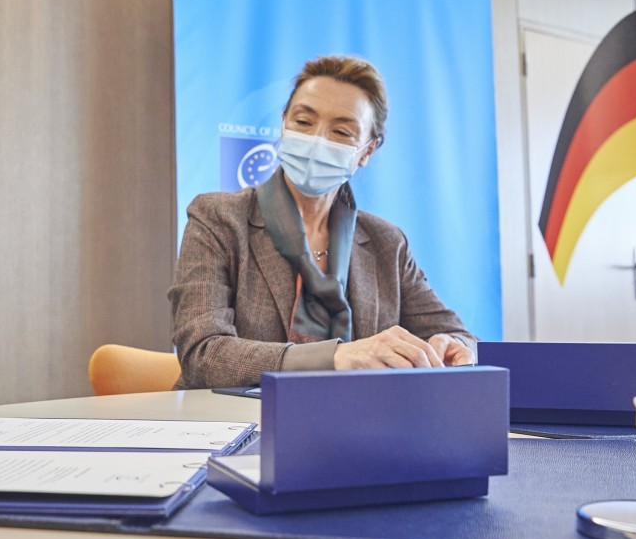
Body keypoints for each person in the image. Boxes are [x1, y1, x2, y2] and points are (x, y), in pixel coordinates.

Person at [170, 55, 476, 389]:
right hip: (236, 428)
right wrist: (338, 357)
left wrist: (449, 348)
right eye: (303, 122)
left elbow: (458, 334)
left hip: (356, 426)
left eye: (342, 131)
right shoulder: (218, 218)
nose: (317, 140)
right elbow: (203, 354)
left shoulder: (387, 243)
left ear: (367, 151)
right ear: (283, 123)